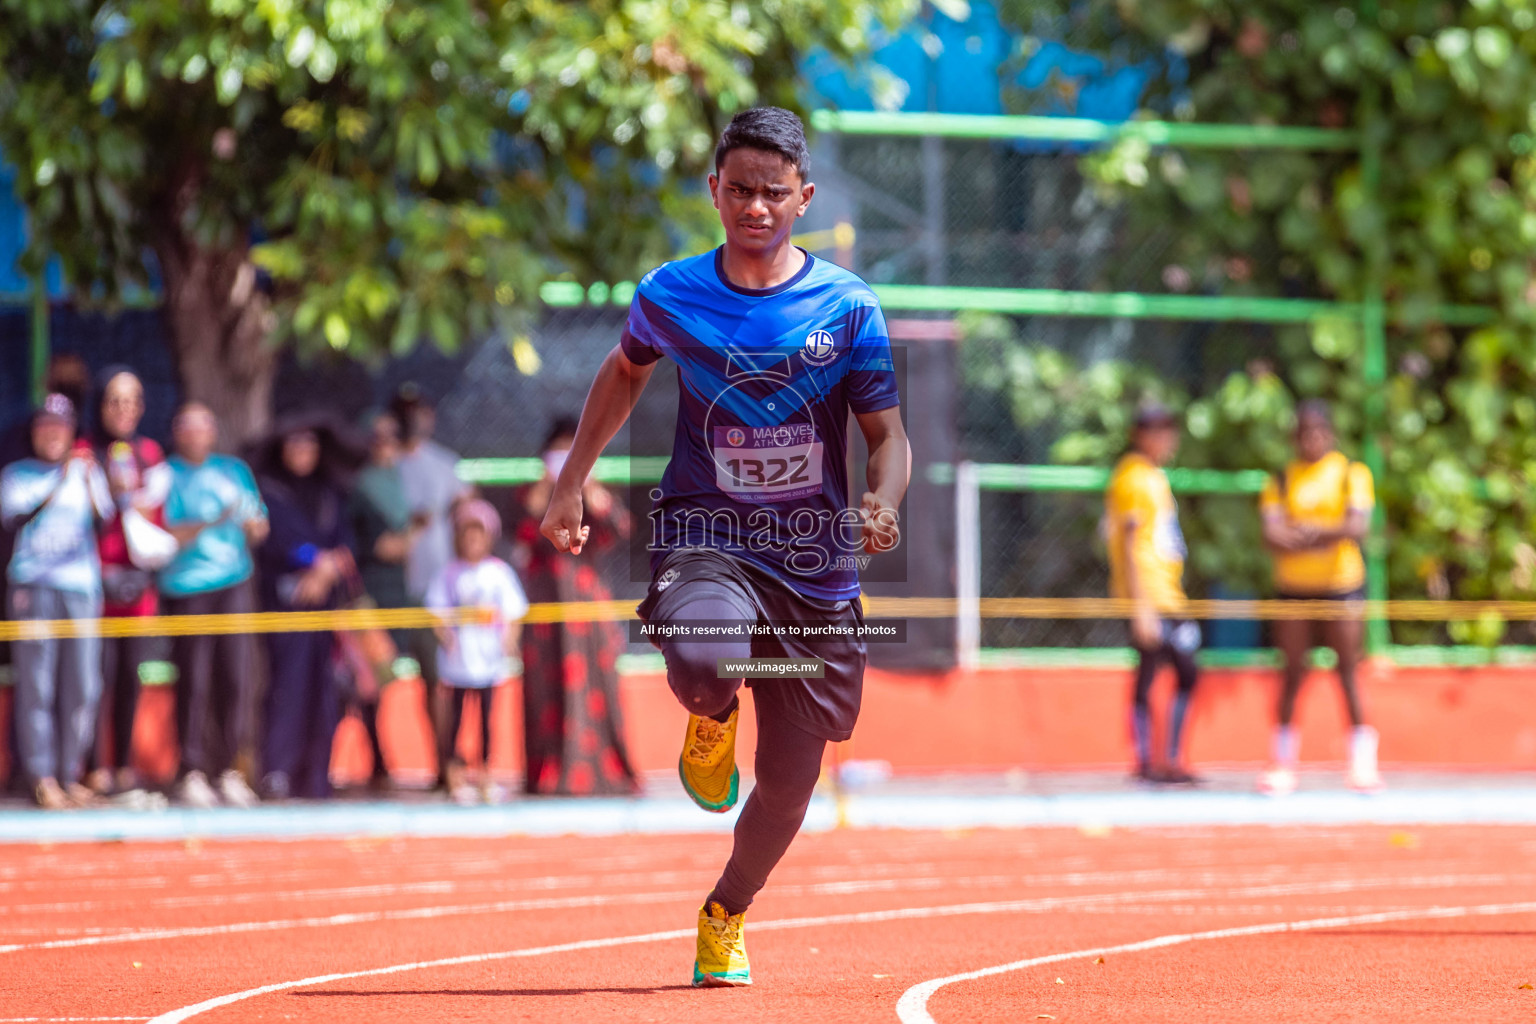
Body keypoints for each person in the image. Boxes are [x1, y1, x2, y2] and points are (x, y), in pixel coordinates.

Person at [540, 107, 909, 987]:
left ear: (803, 199)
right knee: (710, 657)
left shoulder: (849, 307)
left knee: (786, 789)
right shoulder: (670, 293)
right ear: (714, 191)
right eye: (738, 189)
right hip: (707, 536)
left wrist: (883, 499)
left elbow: (887, 434)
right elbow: (625, 369)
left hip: (815, 565)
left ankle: (724, 914)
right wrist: (571, 481)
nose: (754, 206)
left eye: (773, 193)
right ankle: (711, 712)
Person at [508, 416, 639, 796]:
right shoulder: (531, 493)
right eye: (560, 449)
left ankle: (604, 772)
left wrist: (588, 484)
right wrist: (552, 486)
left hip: (588, 608)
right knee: (544, 690)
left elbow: (619, 528)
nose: (566, 457)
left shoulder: (595, 491)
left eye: (574, 449)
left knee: (598, 689)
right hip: (546, 607)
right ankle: (547, 774)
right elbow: (521, 531)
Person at [1259, 400, 1379, 795]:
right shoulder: (1279, 479)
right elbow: (1272, 534)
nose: (1311, 438)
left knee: (1347, 670)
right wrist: (1325, 533)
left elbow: (1357, 526)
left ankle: (1362, 762)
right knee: (1292, 672)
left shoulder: (1350, 473)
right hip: (1294, 590)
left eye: (1318, 430)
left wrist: (1310, 533)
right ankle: (1283, 761)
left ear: (1330, 433)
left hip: (1341, 586)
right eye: (1304, 432)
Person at [0, 393, 114, 809]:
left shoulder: (88, 472)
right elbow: (17, 520)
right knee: (37, 684)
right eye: (45, 427)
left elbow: (105, 521)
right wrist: (61, 479)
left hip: (81, 588)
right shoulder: (17, 475)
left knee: (83, 684)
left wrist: (89, 479)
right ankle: (41, 775)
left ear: (71, 433)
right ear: (35, 432)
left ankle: (70, 773)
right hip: (33, 586)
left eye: (60, 427)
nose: (53, 434)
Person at [160, 402, 269, 808]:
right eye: (188, 427)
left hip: (234, 584)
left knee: (235, 678)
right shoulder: (166, 475)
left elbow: (259, 527)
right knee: (194, 680)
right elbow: (164, 533)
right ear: (177, 432)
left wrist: (249, 524)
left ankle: (227, 769)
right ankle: (191, 770)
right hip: (187, 587)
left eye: (203, 427)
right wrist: (211, 519)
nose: (196, 435)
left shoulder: (233, 472)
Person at [251, 414, 364, 801]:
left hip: (327, 608)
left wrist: (330, 567)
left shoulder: (331, 492)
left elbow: (347, 541)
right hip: (286, 604)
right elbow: (276, 541)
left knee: (326, 691)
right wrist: (314, 560)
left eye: (309, 445)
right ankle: (278, 773)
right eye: (295, 444)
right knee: (287, 687)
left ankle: (317, 775)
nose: (303, 452)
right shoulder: (270, 491)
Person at [85, 367, 173, 806]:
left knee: (128, 678)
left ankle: (122, 766)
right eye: (115, 400)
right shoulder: (83, 451)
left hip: (137, 587)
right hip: (93, 584)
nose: (124, 409)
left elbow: (157, 518)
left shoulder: (151, 453)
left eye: (132, 400)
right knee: (92, 678)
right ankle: (91, 768)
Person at [1104, 403, 1200, 785]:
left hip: (1168, 593)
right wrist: (1140, 607)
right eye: (1157, 431)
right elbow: (1129, 544)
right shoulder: (1133, 477)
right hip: (1151, 595)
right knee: (1159, 672)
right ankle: (1150, 761)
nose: (1166, 439)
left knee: (1182, 671)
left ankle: (1167, 758)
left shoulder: (1153, 475)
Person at [391, 385, 473, 788]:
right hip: (389, 590)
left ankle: (447, 764)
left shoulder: (445, 464)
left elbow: (470, 512)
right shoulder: (382, 467)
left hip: (435, 592)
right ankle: (376, 764)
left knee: (439, 682)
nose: (413, 421)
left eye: (419, 411)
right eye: (406, 413)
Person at [427, 499, 528, 805]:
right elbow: (437, 611)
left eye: (478, 536)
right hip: (459, 662)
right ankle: (454, 776)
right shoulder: (449, 573)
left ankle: (485, 773)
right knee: (456, 719)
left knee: (486, 719)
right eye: (467, 536)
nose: (472, 542)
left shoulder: (499, 572)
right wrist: (447, 639)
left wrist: (509, 643)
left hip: (488, 661)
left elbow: (514, 612)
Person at [343, 411, 423, 790]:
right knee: (370, 679)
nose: (385, 444)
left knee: (388, 678)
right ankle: (375, 759)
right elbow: (373, 545)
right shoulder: (359, 487)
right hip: (370, 594)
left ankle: (381, 759)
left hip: (400, 592)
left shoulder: (403, 481)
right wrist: (399, 543)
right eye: (377, 438)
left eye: (391, 437)